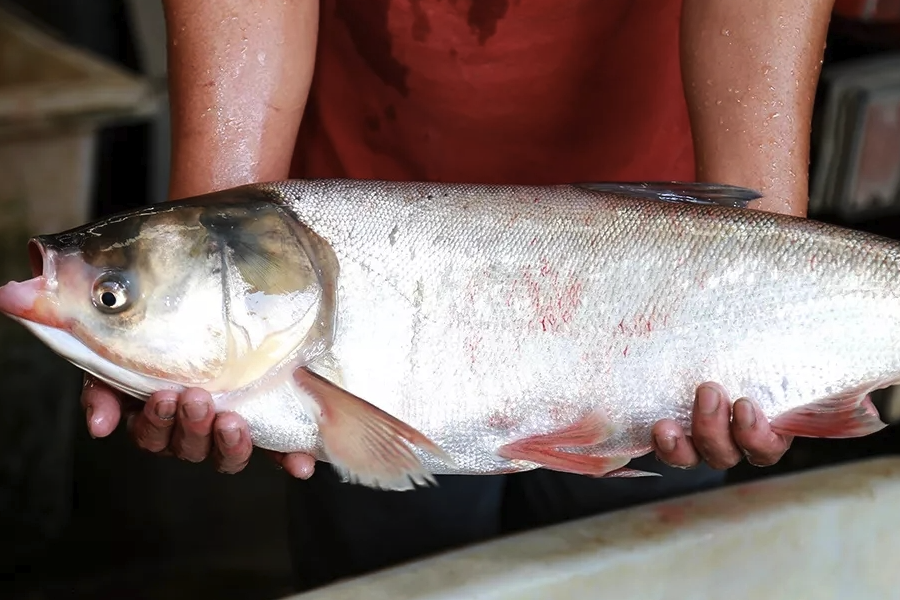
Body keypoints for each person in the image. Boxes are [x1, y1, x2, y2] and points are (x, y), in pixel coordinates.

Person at [81, 0, 833, 592]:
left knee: (633, 570)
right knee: (390, 569)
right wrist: (202, 247)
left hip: (676, 266)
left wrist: (768, 262)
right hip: (351, 264)